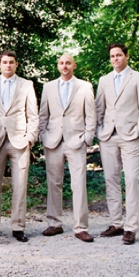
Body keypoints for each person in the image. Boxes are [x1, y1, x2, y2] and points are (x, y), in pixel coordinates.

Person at [95, 43, 139, 245]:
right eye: (112, 56)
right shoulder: (104, 80)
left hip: (130, 136)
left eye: (119, 55)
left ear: (126, 56)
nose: (115, 59)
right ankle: (116, 223)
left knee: (131, 180)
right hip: (108, 137)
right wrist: (99, 130)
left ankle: (131, 227)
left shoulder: (138, 78)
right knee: (111, 180)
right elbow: (99, 108)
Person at [38, 53, 96, 242]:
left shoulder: (85, 87)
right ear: (58, 66)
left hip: (76, 140)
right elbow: (43, 114)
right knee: (54, 182)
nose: (65, 66)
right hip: (53, 140)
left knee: (78, 183)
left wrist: (87, 137)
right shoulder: (48, 87)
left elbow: (91, 115)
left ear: (74, 66)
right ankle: (54, 223)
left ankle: (80, 227)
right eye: (62, 63)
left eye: (68, 63)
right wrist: (43, 135)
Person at [0, 50, 38, 242]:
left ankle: (18, 227)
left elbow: (33, 114)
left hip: (19, 140)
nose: (8, 65)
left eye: (11, 62)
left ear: (16, 64)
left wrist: (30, 137)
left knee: (20, 185)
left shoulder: (26, 85)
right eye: (4, 62)